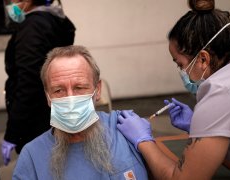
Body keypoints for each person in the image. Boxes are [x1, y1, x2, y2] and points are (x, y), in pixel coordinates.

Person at [117, 0, 230, 179]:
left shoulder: (219, 90)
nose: (182, 72)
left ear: (203, 59)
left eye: (180, 64)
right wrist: (198, 127)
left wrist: (143, 140)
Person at [12, 45, 149, 180]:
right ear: (48, 97)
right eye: (59, 90)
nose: (70, 99)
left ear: (98, 90)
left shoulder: (127, 128)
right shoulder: (32, 156)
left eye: (79, 87)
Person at [1, 0, 76, 166]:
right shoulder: (51, 19)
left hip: (37, 120)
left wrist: (12, 133)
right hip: (54, 112)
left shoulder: (32, 28)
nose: (10, 5)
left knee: (44, 166)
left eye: (13, 0)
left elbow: (29, 84)